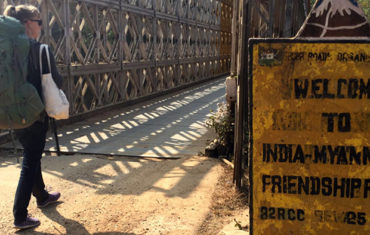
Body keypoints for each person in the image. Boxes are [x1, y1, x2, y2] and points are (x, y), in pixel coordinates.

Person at [3, 4, 63, 230]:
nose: (41, 27)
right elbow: (57, 81)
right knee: (31, 159)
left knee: (32, 153)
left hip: (13, 112)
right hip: (35, 113)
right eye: (38, 22)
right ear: (28, 24)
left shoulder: (8, 50)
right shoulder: (39, 49)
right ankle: (20, 214)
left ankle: (42, 196)